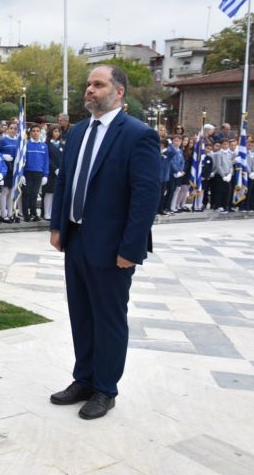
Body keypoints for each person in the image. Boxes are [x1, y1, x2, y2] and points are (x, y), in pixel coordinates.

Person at [49, 65, 160, 420]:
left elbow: (145, 196)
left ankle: (105, 389)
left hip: (113, 248)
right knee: (81, 314)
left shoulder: (138, 135)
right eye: (88, 85)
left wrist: (131, 248)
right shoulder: (79, 132)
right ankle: (83, 379)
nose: (90, 90)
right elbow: (65, 182)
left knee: (109, 318)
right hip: (77, 239)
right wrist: (57, 227)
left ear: (119, 91)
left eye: (98, 85)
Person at [21, 124, 49, 222]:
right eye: (34, 131)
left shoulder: (44, 146)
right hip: (28, 172)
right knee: (26, 193)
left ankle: (34, 213)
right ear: (30, 132)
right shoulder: (26, 144)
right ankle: (26, 214)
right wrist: (21, 174)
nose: (36, 133)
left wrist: (45, 175)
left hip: (39, 173)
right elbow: (22, 161)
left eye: (38, 131)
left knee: (34, 194)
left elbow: (46, 161)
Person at [0, 120, 20, 222]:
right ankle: (3, 213)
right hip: (6, 168)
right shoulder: (3, 140)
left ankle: (10, 212)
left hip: (15, 169)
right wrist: (3, 156)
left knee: (11, 192)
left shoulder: (18, 141)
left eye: (15, 129)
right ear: (7, 129)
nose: (13, 130)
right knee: (5, 191)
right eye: (11, 128)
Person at [43, 126, 63, 221]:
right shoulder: (46, 144)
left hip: (60, 172)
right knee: (49, 193)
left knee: (56, 194)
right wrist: (55, 169)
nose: (57, 133)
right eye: (55, 131)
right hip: (50, 173)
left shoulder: (62, 145)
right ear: (51, 132)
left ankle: (53, 213)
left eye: (58, 131)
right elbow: (47, 159)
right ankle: (46, 213)